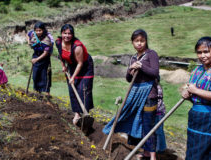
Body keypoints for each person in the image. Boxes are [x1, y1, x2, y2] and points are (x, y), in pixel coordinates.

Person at [103, 29, 159, 160]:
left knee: (148, 125)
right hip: (135, 94)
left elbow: (155, 73)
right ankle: (145, 152)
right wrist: (131, 69)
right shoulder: (133, 57)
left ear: (146, 41)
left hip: (149, 95)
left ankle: (152, 156)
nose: (139, 43)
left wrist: (142, 67)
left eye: (142, 41)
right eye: (136, 41)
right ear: (132, 42)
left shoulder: (151, 54)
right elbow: (128, 78)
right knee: (137, 121)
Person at [55, 24, 94, 125]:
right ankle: (77, 113)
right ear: (61, 33)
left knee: (83, 89)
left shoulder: (77, 46)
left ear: (72, 35)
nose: (67, 36)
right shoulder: (58, 42)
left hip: (85, 67)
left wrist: (72, 77)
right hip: (72, 66)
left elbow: (80, 63)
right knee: (72, 89)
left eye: (69, 33)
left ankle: (85, 113)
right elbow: (61, 55)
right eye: (65, 33)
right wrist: (63, 65)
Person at [26, 22, 53, 95]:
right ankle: (37, 91)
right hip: (36, 54)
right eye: (36, 30)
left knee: (44, 75)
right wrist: (29, 42)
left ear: (43, 30)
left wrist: (36, 59)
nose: (38, 32)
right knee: (35, 75)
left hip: (44, 58)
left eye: (40, 30)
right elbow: (28, 34)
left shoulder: (47, 39)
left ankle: (47, 93)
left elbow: (46, 53)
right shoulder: (32, 33)